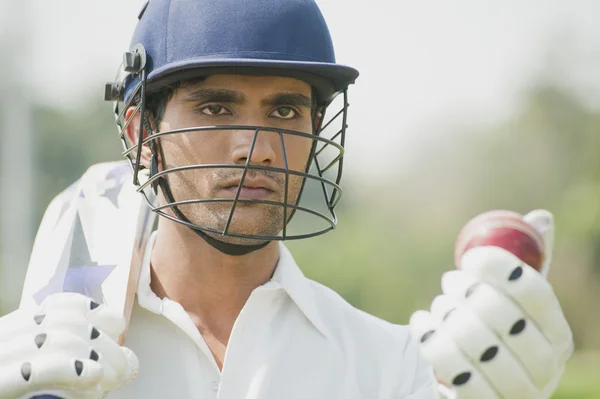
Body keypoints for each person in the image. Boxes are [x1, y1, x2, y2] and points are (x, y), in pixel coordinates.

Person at [0, 0, 573, 398]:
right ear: (139, 134)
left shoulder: (395, 367)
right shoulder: (47, 350)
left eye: (284, 111)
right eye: (215, 108)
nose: (258, 148)